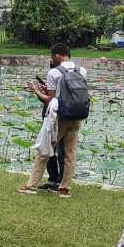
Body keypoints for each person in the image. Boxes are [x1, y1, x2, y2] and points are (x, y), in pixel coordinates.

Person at [23, 43, 87, 199]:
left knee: (45, 149)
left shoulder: (54, 72)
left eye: (52, 56)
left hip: (60, 118)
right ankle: (64, 189)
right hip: (77, 116)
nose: (51, 59)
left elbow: (50, 100)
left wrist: (36, 90)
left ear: (58, 55)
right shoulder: (82, 70)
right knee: (70, 153)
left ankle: (31, 186)